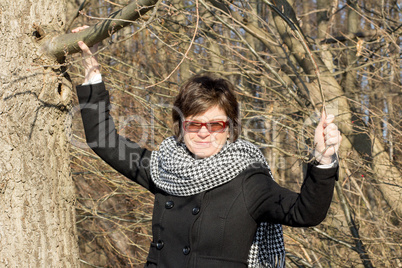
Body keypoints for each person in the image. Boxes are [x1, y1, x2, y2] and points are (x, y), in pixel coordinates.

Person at [73, 26, 341, 268]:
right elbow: (104, 142)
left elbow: (305, 213)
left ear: (230, 128)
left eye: (216, 125)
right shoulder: (165, 168)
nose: (204, 132)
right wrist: (92, 74)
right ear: (180, 125)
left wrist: (323, 157)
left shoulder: (249, 180)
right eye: (194, 124)